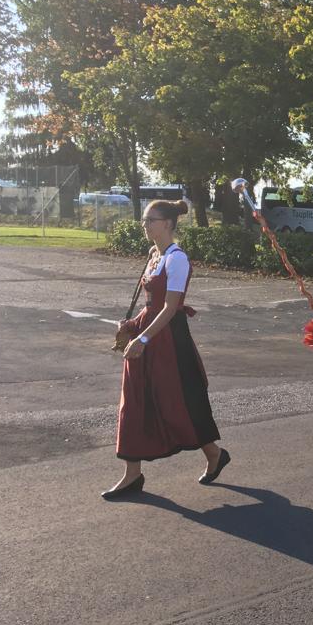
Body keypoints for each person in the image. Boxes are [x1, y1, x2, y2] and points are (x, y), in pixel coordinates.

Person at [104, 200, 229, 499]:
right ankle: (132, 474)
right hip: (148, 330)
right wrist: (132, 325)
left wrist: (142, 339)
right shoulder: (153, 255)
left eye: (150, 220)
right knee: (134, 401)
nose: (144, 225)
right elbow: (151, 305)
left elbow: (171, 308)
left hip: (169, 339)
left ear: (168, 224)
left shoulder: (177, 259)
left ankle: (214, 453)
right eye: (144, 220)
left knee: (181, 400)